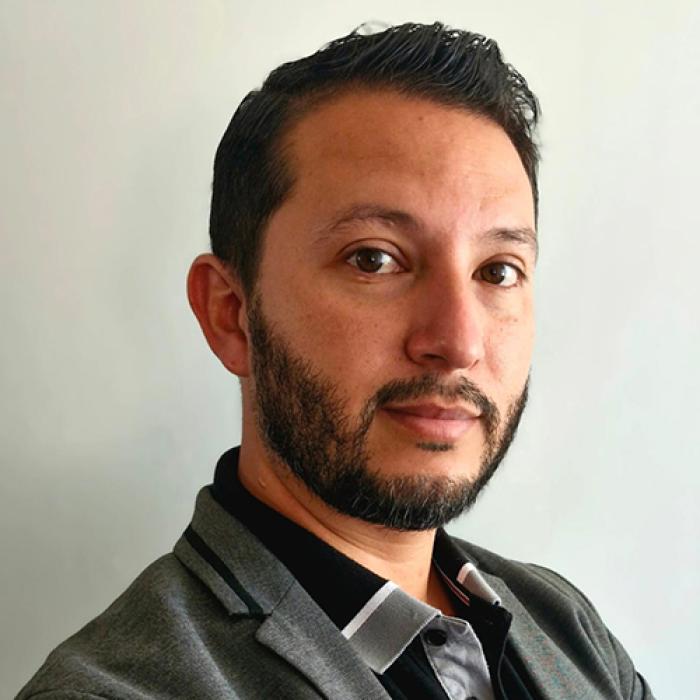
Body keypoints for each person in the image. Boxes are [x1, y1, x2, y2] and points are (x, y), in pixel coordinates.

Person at [17, 21, 654, 700]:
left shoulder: (570, 630)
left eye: (497, 270)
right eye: (374, 259)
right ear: (231, 314)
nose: (458, 341)